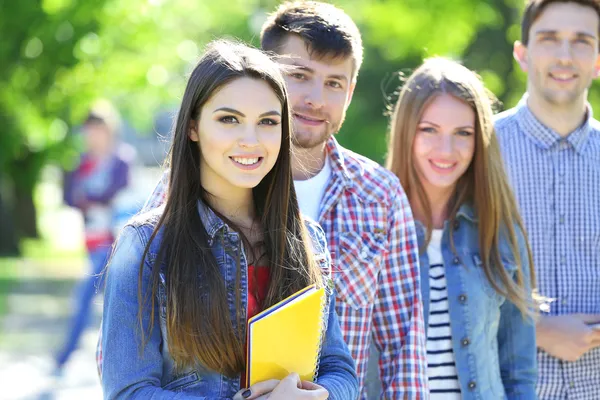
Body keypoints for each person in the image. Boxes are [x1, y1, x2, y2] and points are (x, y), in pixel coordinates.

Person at [136, 2, 428, 398]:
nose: (315, 98)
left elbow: (402, 348)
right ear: (263, 71)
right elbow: (127, 363)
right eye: (299, 75)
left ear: (351, 90)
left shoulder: (380, 196)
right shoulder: (185, 188)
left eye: (334, 83)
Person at [100, 40, 358, 399]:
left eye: (267, 122)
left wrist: (318, 396)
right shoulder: (144, 244)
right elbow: (127, 392)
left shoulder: (307, 238)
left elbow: (340, 371)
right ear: (193, 127)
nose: (250, 140)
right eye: (229, 119)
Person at [386, 58, 538, 398]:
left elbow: (520, 372)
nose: (446, 150)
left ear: (479, 139)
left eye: (463, 134)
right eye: (429, 130)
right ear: (407, 131)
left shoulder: (501, 231)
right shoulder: (373, 226)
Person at [495, 0, 600, 397]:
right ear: (522, 53)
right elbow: (446, 270)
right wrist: (536, 329)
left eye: (581, 41)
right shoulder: (476, 151)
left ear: (598, 59)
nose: (564, 56)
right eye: (549, 39)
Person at [56, 109, 133, 375]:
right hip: (91, 240)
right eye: (89, 129)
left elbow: (119, 193)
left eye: (97, 129)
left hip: (115, 241)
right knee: (106, 303)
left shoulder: (120, 160)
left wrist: (90, 197)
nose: (93, 135)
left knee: (91, 298)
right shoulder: (80, 162)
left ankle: (65, 358)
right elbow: (67, 195)